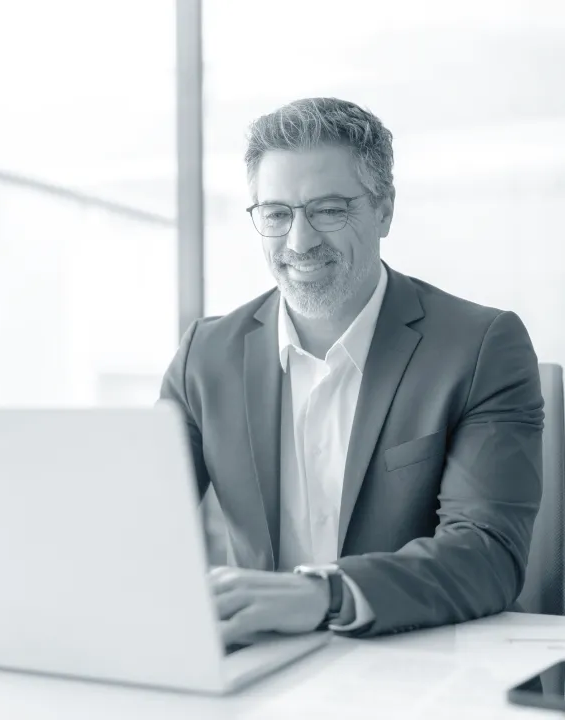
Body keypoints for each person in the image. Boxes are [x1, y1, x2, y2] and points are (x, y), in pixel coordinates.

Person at [159, 97, 544, 644]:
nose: (299, 241)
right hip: (259, 663)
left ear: (384, 209)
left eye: (329, 210)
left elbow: (488, 554)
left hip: (419, 660)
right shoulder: (206, 353)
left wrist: (325, 595)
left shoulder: (482, 347)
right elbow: (137, 526)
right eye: (276, 214)